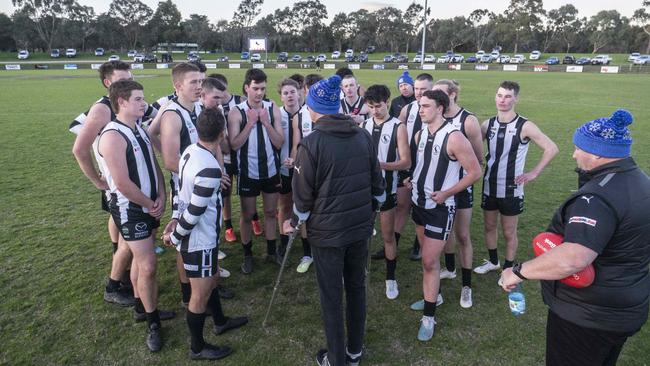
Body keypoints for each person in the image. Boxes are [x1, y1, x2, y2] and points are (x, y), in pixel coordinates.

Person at [500, 109, 650, 366]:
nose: (573, 154)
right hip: (627, 306)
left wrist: (518, 272)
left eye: (579, 148)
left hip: (588, 315)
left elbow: (573, 259)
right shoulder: (641, 181)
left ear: (597, 152)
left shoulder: (596, 199)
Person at [283, 74, 385, 366]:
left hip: (327, 235)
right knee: (355, 289)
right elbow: (379, 188)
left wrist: (293, 222)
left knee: (332, 297)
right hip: (359, 229)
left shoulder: (311, 144)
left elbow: (302, 202)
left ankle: (339, 359)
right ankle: (354, 351)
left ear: (314, 108)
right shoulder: (363, 135)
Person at [163, 108, 248, 360]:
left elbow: (179, 190)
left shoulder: (189, 151)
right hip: (198, 239)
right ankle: (197, 348)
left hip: (201, 236)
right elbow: (195, 212)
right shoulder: (210, 168)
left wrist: (174, 217)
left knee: (211, 278)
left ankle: (220, 321)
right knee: (199, 295)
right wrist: (176, 236)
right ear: (222, 134)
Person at [98, 80, 174, 352]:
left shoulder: (138, 128)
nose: (144, 104)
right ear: (121, 102)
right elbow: (121, 182)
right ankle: (153, 323)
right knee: (149, 264)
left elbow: (153, 165)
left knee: (143, 264)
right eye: (139, 99)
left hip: (149, 205)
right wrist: (150, 203)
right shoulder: (112, 135)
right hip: (131, 210)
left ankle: (143, 308)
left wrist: (162, 195)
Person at [405, 90, 481, 341]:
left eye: (425, 106)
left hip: (440, 209)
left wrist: (447, 192)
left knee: (428, 261)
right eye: (419, 105)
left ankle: (429, 317)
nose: (421, 109)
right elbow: (422, 164)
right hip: (418, 204)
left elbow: (474, 172)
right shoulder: (420, 134)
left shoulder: (455, 137)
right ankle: (433, 296)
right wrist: (412, 178)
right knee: (429, 260)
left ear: (440, 108)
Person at [474, 81, 558, 274]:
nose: (502, 100)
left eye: (507, 96)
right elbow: (473, 149)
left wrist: (534, 172)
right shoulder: (488, 124)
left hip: (512, 188)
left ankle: (508, 268)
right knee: (489, 226)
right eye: (499, 95)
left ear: (516, 99)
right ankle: (493, 261)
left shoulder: (524, 125)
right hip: (489, 186)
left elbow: (551, 148)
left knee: (508, 231)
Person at [71, 61, 136, 306]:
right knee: (130, 240)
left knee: (127, 239)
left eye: (129, 78)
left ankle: (125, 279)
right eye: (122, 80)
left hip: (130, 182)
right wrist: (97, 181)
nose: (127, 83)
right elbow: (79, 149)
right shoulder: (102, 109)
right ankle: (113, 286)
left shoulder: (124, 103)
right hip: (119, 185)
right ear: (108, 83)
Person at [433, 80, 484, 309]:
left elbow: (478, 160)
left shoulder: (469, 121)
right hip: (439, 188)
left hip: (461, 188)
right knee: (444, 235)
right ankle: (450, 269)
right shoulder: (435, 118)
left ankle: (467, 286)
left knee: (462, 234)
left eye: (441, 93)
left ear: (453, 95)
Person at [227, 68, 284, 274]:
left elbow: (279, 142)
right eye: (255, 88)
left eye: (262, 88)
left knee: (270, 212)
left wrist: (266, 123)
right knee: (247, 214)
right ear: (246, 88)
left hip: (270, 170)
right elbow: (234, 144)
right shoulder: (236, 112)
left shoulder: (272, 108)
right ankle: (248, 255)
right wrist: (251, 122)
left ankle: (271, 251)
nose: (259, 93)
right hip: (248, 172)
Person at [373, 73, 434, 261]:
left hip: (429, 166)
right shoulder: (408, 109)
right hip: (407, 164)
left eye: (423, 89)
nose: (418, 92)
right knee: (402, 205)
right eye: (416, 88)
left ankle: (419, 243)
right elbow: (396, 130)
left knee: (422, 206)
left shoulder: (437, 110)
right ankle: (392, 243)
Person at [362, 84, 410, 299]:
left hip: (387, 190)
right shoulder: (363, 125)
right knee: (361, 235)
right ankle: (359, 271)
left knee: (388, 236)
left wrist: (381, 165)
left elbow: (405, 161)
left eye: (378, 106)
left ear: (388, 102)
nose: (375, 111)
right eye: (371, 106)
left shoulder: (398, 127)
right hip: (364, 191)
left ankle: (391, 279)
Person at [209, 73, 264, 241]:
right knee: (226, 192)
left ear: (226, 86)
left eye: (222, 90)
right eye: (217, 92)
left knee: (246, 192)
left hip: (242, 155)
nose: (221, 95)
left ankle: (254, 219)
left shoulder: (240, 101)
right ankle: (229, 227)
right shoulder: (211, 106)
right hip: (224, 157)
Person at [290, 73, 324, 273]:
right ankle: (307, 254)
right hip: (306, 171)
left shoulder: (332, 111)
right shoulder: (299, 116)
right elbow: (296, 145)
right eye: (309, 90)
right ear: (305, 90)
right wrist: (294, 162)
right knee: (304, 212)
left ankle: (322, 252)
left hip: (327, 171)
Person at [275, 79, 302, 266]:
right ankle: (283, 241)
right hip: (283, 167)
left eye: (292, 92)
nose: (290, 96)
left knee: (304, 204)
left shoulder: (309, 112)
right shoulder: (276, 114)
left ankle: (307, 240)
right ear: (281, 96)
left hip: (305, 168)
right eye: (285, 93)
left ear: (299, 92)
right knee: (284, 204)